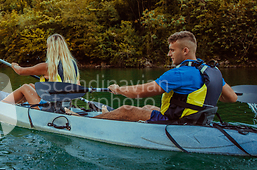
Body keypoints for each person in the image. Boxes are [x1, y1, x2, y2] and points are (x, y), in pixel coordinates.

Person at [94, 31, 237, 123]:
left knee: (126, 110)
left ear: (185, 50)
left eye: (172, 50)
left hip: (180, 122)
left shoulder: (179, 73)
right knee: (148, 106)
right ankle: (113, 118)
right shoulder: (211, 72)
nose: (169, 54)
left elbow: (139, 92)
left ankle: (87, 122)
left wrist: (118, 89)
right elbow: (232, 97)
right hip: (199, 120)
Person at [2, 34, 80, 107]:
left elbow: (21, 71)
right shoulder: (72, 66)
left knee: (25, 87)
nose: (47, 50)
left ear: (51, 50)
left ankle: (1, 104)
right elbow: (77, 87)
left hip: (49, 109)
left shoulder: (48, 67)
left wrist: (15, 66)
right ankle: (15, 105)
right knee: (32, 86)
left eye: (48, 47)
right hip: (65, 107)